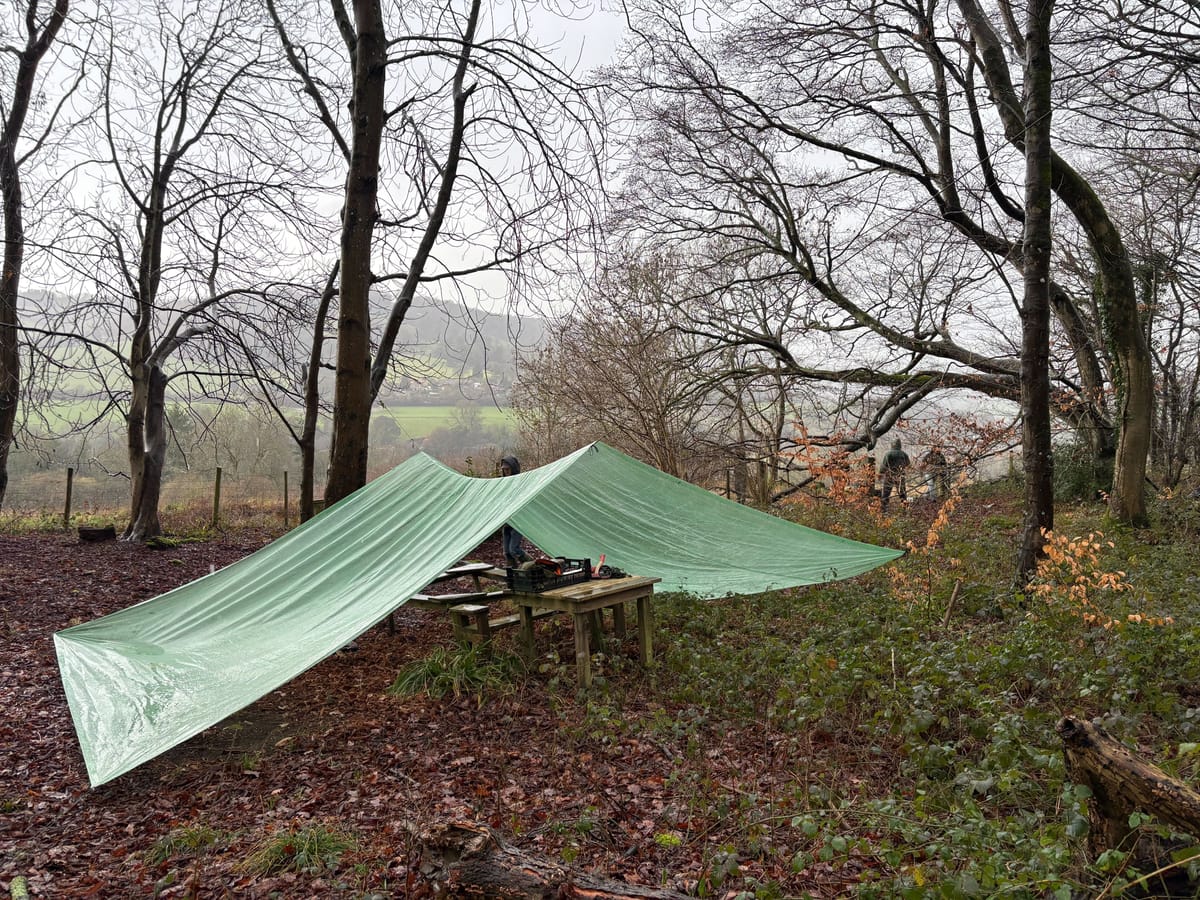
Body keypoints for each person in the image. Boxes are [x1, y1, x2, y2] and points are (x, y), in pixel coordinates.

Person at [498, 456, 533, 567]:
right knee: (507, 552)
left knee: (514, 549)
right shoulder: (503, 482)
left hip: (518, 520)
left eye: (508, 469)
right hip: (506, 521)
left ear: (513, 468)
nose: (506, 471)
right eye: (504, 469)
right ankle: (513, 573)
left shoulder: (520, 482)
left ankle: (532, 565)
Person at [880, 438, 910, 512]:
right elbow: (908, 463)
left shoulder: (888, 453)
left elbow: (884, 465)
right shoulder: (904, 454)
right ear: (900, 445)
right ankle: (904, 509)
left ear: (892, 444)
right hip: (900, 475)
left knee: (886, 493)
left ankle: (884, 510)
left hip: (889, 475)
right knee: (902, 493)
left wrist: (881, 473)